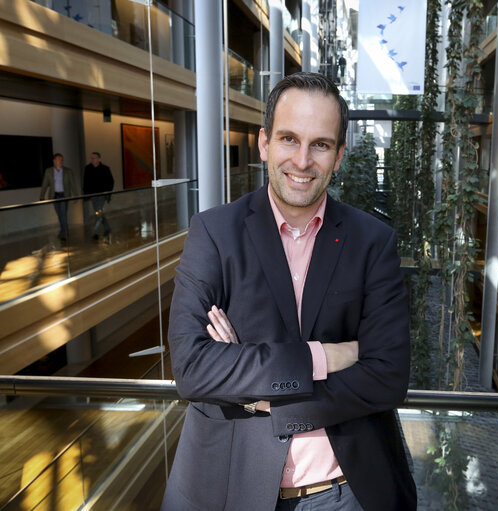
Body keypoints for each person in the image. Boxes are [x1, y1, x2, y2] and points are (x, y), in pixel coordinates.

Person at [162, 72, 416, 511]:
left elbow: (389, 376)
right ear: (264, 143)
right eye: (288, 139)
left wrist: (259, 391)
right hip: (231, 489)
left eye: (320, 144)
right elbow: (192, 367)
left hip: (347, 491)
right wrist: (327, 356)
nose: (302, 160)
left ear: (338, 156)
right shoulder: (214, 232)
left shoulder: (372, 241)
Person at [40, 153, 75, 240]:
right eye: (58, 160)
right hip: (54, 196)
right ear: (54, 161)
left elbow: (72, 184)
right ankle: (62, 231)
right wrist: (42, 195)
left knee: (63, 214)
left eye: (61, 160)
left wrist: (76, 195)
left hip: (64, 195)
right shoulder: (49, 171)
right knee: (59, 214)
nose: (60, 161)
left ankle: (65, 233)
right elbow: (45, 184)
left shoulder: (68, 171)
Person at [82, 152, 114, 240]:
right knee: (99, 212)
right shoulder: (88, 168)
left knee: (97, 213)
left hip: (102, 196)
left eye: (94, 158)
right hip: (93, 195)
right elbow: (85, 182)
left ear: (99, 159)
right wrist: (86, 194)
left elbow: (111, 182)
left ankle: (95, 232)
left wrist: (108, 194)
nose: (92, 160)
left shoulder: (105, 169)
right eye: (91, 158)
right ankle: (107, 228)